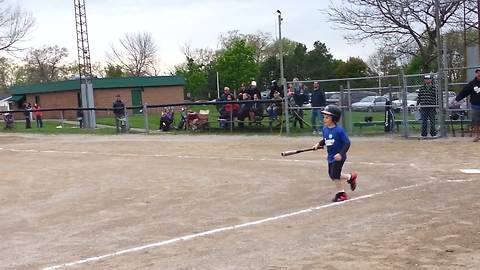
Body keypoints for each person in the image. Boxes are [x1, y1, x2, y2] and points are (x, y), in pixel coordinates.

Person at [313, 105, 358, 202]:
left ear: (334, 118)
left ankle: (341, 194)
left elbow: (347, 143)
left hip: (339, 157)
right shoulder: (325, 129)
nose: (324, 119)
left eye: (327, 117)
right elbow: (326, 140)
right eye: (324, 117)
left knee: (335, 174)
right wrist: (318, 144)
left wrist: (341, 154)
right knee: (332, 174)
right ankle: (350, 177)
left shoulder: (339, 130)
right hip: (330, 156)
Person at [452, 68, 480, 142]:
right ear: (476, 74)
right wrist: (457, 99)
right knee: (476, 121)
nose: (479, 74)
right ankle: (477, 136)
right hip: (475, 105)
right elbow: (464, 92)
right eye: (477, 72)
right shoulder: (472, 83)